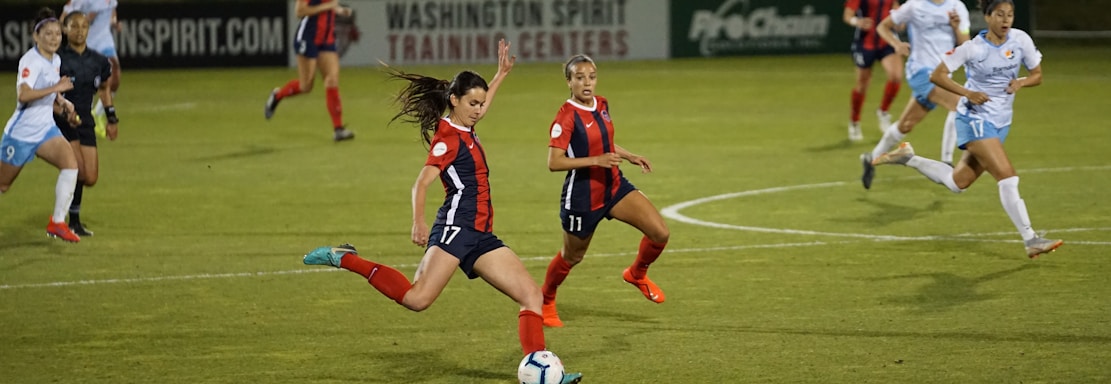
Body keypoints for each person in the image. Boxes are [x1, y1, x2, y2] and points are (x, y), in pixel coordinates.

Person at [300, 40, 581, 383]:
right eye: (473, 104)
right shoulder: (448, 138)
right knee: (417, 299)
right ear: (454, 101)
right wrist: (418, 221)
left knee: (530, 295)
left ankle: (541, 372)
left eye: (481, 103)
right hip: (455, 228)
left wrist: (501, 74)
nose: (479, 109)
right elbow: (421, 183)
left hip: (479, 234)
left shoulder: (465, 124)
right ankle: (345, 258)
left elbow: (482, 105)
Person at [870, 0, 1062, 258]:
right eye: (1000, 15)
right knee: (1008, 177)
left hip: (1001, 121)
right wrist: (968, 93)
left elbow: (1038, 75)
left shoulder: (1020, 40)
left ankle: (909, 158)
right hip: (974, 118)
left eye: (1010, 15)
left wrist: (1021, 82)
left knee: (958, 183)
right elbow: (937, 75)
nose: (1006, 20)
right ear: (987, 17)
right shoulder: (973, 48)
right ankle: (1031, 239)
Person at [539, 54, 671, 328]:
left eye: (591, 76)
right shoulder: (565, 117)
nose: (587, 83)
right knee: (572, 256)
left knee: (660, 232)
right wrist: (596, 160)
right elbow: (554, 162)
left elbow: (606, 141)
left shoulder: (602, 104)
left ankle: (636, 273)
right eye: (579, 77)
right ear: (569, 81)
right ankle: (546, 299)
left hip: (613, 186)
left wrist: (630, 155)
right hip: (583, 196)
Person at [860, 0, 970, 189]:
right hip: (920, 72)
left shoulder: (957, 6)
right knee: (960, 104)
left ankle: (871, 159)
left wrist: (956, 28)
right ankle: (946, 161)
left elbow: (966, 45)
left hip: (942, 75)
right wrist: (896, 44)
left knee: (905, 125)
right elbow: (882, 27)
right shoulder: (914, 5)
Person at [1, 8, 81, 242]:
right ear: (36, 37)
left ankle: (57, 222)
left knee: (70, 165)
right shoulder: (30, 61)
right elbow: (24, 95)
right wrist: (58, 89)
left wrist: (63, 105)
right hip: (21, 134)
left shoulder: (55, 59)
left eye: (57, 33)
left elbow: (46, 97)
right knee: (3, 185)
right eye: (48, 33)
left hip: (45, 130)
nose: (54, 37)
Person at [53, 11, 118, 237]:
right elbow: (50, 93)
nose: (79, 30)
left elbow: (104, 89)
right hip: (63, 119)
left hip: (86, 120)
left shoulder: (99, 61)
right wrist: (63, 111)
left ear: (89, 29)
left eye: (83, 26)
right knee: (77, 168)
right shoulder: (57, 59)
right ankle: (70, 220)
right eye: (74, 26)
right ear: (65, 29)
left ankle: (71, 219)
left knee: (90, 177)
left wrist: (111, 118)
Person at [264, 0, 355, 142]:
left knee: (332, 79)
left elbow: (328, 5)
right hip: (308, 38)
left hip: (326, 38)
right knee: (306, 86)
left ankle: (338, 129)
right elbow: (299, 12)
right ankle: (278, 95)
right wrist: (329, 6)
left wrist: (338, 10)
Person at [843, 0, 903, 142]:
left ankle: (883, 111)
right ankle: (855, 121)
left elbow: (896, 10)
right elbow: (847, 15)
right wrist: (857, 21)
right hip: (865, 43)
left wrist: (900, 20)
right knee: (862, 86)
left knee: (896, 77)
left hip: (887, 41)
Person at [61, 0, 120, 137]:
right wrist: (85, 18)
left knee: (115, 76)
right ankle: (81, 113)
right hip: (88, 42)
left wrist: (114, 22)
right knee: (86, 81)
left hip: (105, 40)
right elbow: (65, 18)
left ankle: (98, 112)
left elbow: (112, 10)